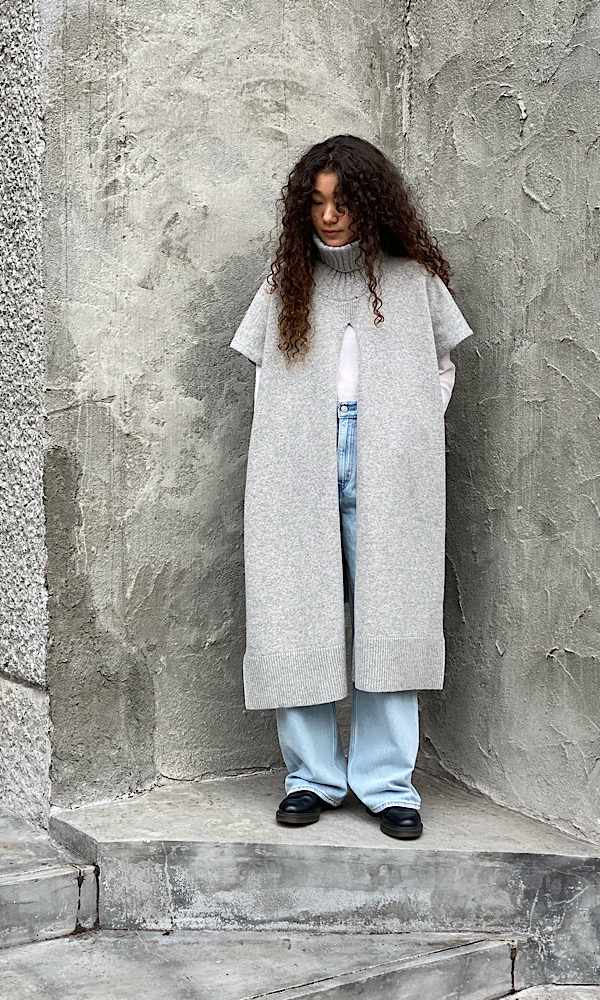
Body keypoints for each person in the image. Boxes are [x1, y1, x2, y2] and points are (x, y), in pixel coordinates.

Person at [230, 135, 474, 840]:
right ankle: (310, 778)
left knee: (392, 613)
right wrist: (289, 442)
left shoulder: (412, 279)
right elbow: (265, 374)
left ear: (372, 203)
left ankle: (387, 784)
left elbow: (440, 368)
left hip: (390, 466)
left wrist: (405, 437)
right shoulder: (287, 280)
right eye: (316, 202)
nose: (330, 216)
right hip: (297, 462)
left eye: (342, 201)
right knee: (294, 610)